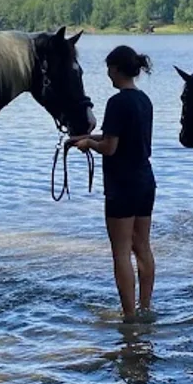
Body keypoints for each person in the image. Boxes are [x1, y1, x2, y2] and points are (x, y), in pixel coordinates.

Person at [67, 45, 156, 321]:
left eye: (109, 68)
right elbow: (118, 136)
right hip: (145, 181)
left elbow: (110, 147)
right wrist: (85, 137)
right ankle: (145, 307)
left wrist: (87, 144)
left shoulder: (117, 102)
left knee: (120, 252)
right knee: (142, 246)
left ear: (116, 69)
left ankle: (128, 316)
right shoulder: (144, 101)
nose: (107, 74)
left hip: (122, 184)